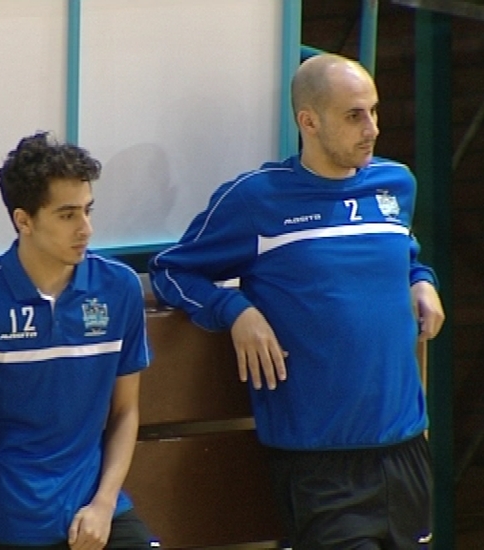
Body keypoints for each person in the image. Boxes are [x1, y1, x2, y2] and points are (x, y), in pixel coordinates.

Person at [148, 53, 445, 549]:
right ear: (309, 121)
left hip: (406, 448)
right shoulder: (256, 199)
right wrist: (235, 311)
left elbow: (403, 253)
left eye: (373, 111)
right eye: (354, 115)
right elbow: (171, 270)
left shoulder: (396, 184)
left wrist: (422, 279)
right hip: (319, 459)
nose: (371, 127)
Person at [0, 132, 158, 550]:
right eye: (67, 215)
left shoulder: (118, 288)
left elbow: (125, 411)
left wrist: (102, 505)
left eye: (87, 210)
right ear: (23, 220)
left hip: (100, 512)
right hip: (15, 525)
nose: (86, 229)